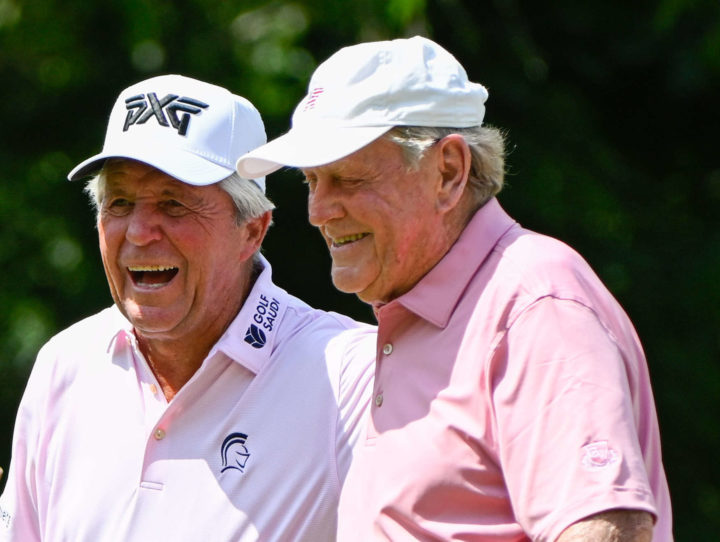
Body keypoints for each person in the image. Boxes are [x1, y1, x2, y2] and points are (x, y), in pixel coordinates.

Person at [236, 36, 673, 541]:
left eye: (347, 178)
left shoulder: (533, 304)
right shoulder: (423, 313)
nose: (317, 212)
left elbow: (606, 529)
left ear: (448, 171)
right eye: (312, 181)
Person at [0, 74, 375, 541]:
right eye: (119, 202)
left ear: (252, 230)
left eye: (173, 204)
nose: (138, 232)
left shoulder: (352, 377)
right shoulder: (65, 364)